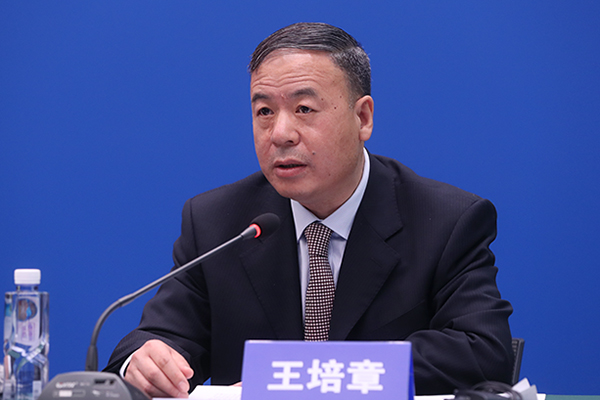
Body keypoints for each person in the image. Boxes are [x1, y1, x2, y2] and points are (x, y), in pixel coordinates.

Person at [105, 22, 514, 397]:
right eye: (265, 112)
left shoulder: (445, 220)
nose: (280, 134)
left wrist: (307, 378)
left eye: (304, 109)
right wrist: (143, 360)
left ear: (363, 118)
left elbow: (481, 350)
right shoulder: (218, 222)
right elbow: (160, 337)